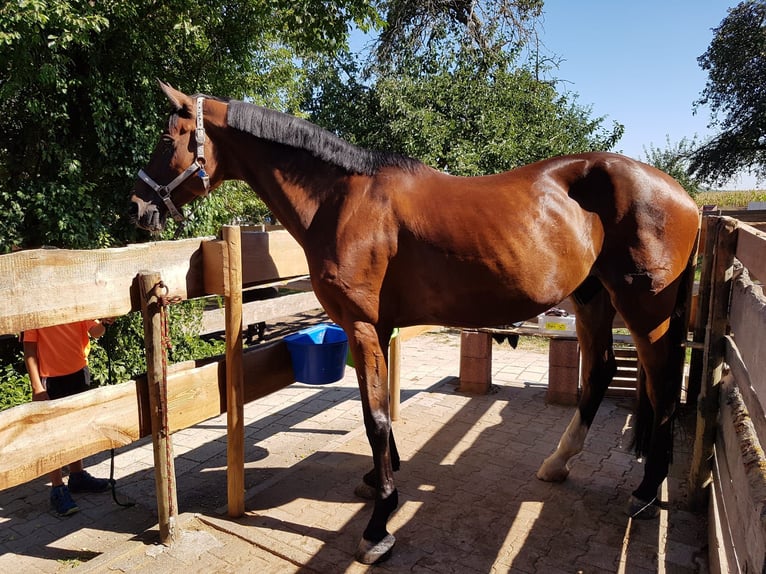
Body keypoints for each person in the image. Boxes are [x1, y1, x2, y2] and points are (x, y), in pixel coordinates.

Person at [23, 318, 114, 516]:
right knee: (53, 434)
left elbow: (95, 331)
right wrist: (37, 386)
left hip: (79, 372)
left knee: (76, 427)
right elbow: (29, 348)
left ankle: (77, 475)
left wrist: (106, 322)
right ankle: (57, 487)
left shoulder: (76, 303)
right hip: (51, 379)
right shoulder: (36, 310)